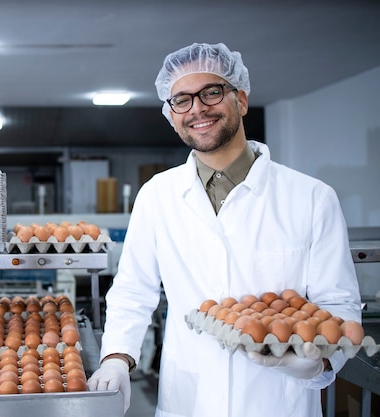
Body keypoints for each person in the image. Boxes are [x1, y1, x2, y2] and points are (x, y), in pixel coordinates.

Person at [86, 42, 362, 417]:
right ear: (171, 115)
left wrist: (318, 363)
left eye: (211, 92)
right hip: (189, 400)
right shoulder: (157, 195)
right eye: (181, 100)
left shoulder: (312, 197)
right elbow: (134, 291)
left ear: (241, 100)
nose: (197, 108)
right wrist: (117, 358)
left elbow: (338, 305)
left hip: (277, 401)